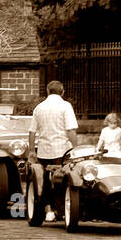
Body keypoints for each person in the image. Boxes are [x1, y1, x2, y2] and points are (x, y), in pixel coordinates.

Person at [29, 80, 80, 222]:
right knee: (62, 181)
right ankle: (61, 210)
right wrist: (75, 149)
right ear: (62, 92)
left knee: (44, 181)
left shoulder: (39, 108)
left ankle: (48, 210)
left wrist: (32, 150)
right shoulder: (65, 106)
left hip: (43, 151)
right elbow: (70, 130)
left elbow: (32, 132)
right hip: (61, 151)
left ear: (47, 91)